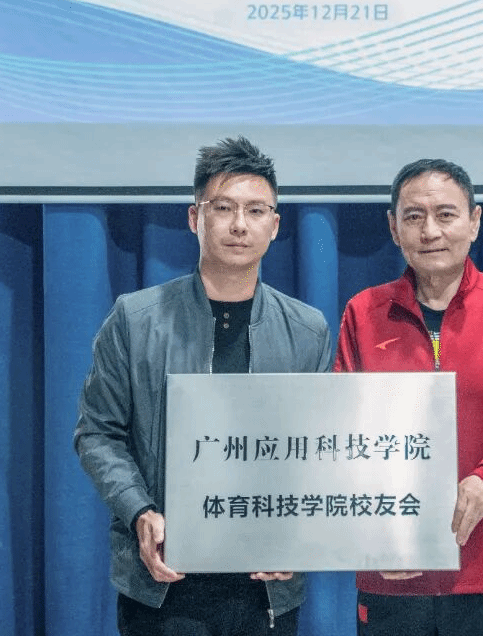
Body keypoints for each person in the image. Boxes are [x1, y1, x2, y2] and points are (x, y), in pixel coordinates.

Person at [74, 136, 333, 636]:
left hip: (266, 588)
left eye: (256, 210)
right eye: (224, 208)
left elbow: (320, 450)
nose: (239, 224)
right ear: (195, 217)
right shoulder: (135, 319)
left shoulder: (307, 329)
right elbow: (97, 433)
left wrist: (298, 535)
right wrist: (139, 512)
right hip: (163, 582)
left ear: (275, 225)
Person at [334, 159, 483, 636]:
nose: (430, 231)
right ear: (393, 228)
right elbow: (342, 436)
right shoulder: (363, 313)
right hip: (393, 570)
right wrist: (376, 535)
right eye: (414, 217)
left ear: (474, 221)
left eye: (446, 215)